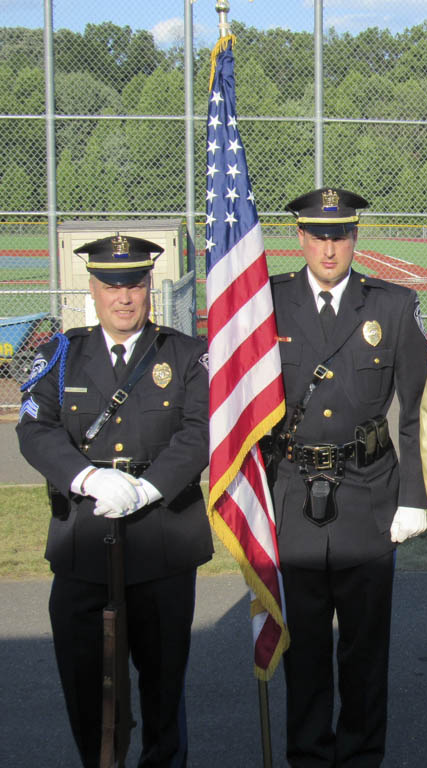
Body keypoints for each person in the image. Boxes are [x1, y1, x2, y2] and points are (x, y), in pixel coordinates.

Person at [16, 234, 212, 767]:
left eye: (135, 284)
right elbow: (35, 430)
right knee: (85, 687)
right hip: (84, 538)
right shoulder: (59, 354)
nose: (124, 297)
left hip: (163, 539)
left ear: (150, 286)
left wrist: (150, 486)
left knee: (163, 687)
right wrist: (86, 478)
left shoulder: (188, 354)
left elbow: (199, 431)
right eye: (111, 285)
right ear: (93, 288)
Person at [268, 187, 427, 767]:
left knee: (365, 653)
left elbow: (417, 410)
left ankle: (362, 758)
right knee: (304, 649)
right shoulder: (269, 303)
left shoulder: (391, 306)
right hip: (291, 494)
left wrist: (414, 498)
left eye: (340, 235)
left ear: (355, 238)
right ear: (301, 238)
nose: (329, 246)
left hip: (368, 494)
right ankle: (308, 757)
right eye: (318, 234)